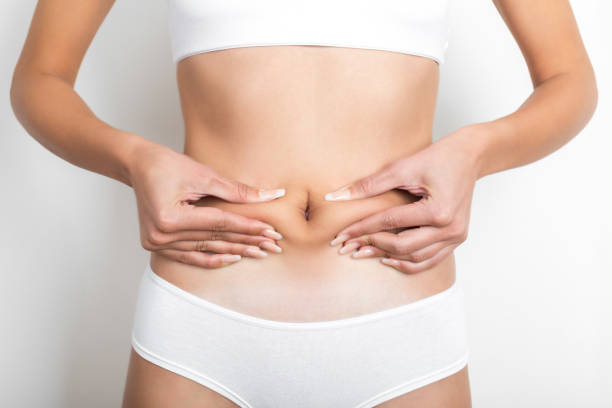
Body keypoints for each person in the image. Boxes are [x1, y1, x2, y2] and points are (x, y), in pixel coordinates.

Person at [9, 0, 597, 407]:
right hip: (201, 323)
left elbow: (569, 78)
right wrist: (133, 159)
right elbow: (40, 76)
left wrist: (476, 150)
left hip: (403, 321)